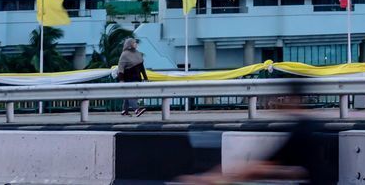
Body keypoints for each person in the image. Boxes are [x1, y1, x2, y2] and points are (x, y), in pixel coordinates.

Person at [176, 82, 327, 184]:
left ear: (293, 100)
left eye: (282, 98)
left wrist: (214, 179)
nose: (277, 103)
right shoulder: (310, 126)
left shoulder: (301, 130)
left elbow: (263, 167)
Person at [118, 38, 147, 116]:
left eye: (136, 43)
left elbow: (141, 67)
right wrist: (121, 79)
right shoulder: (124, 54)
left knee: (130, 94)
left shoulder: (138, 53)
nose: (136, 44)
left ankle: (124, 110)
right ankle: (137, 109)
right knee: (131, 94)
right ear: (130, 44)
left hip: (137, 77)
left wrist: (145, 77)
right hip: (128, 77)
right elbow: (120, 68)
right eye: (134, 43)